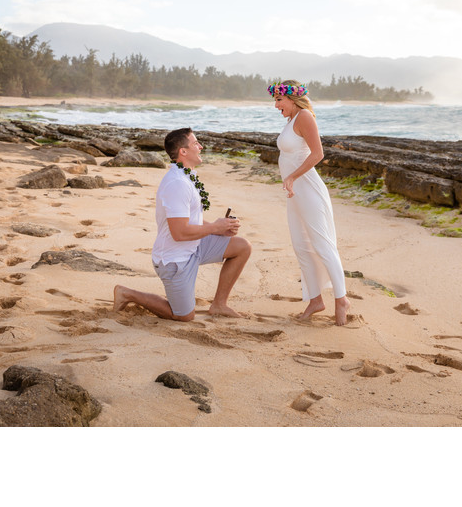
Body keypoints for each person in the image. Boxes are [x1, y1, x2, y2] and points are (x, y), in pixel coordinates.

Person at [113, 128, 251, 321]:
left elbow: (191, 218)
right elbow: (179, 233)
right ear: (183, 151)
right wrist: (215, 228)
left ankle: (219, 305)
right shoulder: (177, 183)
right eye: (196, 143)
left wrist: (221, 229)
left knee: (242, 247)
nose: (201, 146)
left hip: (194, 247)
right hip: (175, 260)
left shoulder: (188, 175)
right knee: (183, 316)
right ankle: (127, 293)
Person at [270, 79, 351, 326]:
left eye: (279, 100)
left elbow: (318, 154)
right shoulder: (291, 120)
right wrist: (290, 180)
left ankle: (341, 299)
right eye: (275, 100)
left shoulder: (304, 116)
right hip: (294, 192)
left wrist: (292, 176)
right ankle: (315, 300)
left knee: (322, 244)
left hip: (308, 189)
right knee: (301, 245)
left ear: (293, 99)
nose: (276, 106)